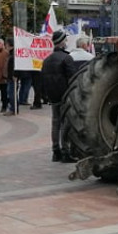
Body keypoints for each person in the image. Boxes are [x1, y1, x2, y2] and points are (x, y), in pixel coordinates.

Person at [42, 30, 78, 162]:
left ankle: (55, 151)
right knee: (65, 124)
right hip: (65, 96)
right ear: (62, 42)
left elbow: (43, 80)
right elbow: (73, 79)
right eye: (65, 40)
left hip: (53, 97)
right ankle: (65, 151)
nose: (66, 42)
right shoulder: (66, 58)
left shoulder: (46, 60)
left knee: (55, 123)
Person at [2, 38, 17, 116]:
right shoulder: (11, 54)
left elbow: (14, 66)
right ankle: (14, 108)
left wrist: (15, 75)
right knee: (11, 93)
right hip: (10, 76)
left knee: (11, 93)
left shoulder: (13, 54)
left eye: (6, 44)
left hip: (12, 77)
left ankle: (13, 109)